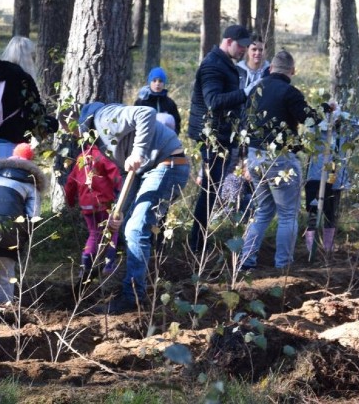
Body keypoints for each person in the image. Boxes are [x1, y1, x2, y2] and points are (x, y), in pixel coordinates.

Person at [73, 103, 190, 314]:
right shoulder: (97, 143)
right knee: (124, 223)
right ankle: (126, 283)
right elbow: (126, 173)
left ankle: (133, 297)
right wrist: (117, 211)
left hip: (168, 162)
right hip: (146, 171)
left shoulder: (104, 118)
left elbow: (146, 112)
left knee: (136, 229)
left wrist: (138, 152)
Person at [239, 51, 325, 270]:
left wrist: (243, 159)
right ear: (292, 71)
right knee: (287, 214)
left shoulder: (255, 89)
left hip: (254, 156)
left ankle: (246, 261)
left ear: (270, 69)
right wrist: (325, 109)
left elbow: (243, 123)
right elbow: (310, 119)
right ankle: (283, 265)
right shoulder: (290, 92)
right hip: (280, 160)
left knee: (263, 210)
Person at [188, 24, 258, 252]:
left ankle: (199, 240)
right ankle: (196, 243)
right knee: (210, 189)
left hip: (221, 136)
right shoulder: (212, 65)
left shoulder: (225, 64)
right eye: (241, 46)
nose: (244, 50)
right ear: (228, 42)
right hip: (211, 137)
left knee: (213, 187)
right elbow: (214, 101)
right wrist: (245, 93)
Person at [0, 143, 46, 304]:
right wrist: (25, 237)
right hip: (12, 232)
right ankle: (6, 310)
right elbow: (34, 216)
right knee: (6, 272)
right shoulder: (30, 184)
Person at [0, 36, 54, 164]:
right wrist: (52, 124)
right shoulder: (21, 80)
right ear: (27, 57)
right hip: (3, 146)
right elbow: (35, 117)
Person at [304, 112, 359, 258]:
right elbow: (309, 126)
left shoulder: (343, 133)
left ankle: (328, 249)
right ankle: (311, 250)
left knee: (331, 214)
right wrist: (323, 119)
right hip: (315, 178)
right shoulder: (316, 131)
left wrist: (345, 115)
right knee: (313, 213)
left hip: (335, 180)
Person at [64, 142, 123, 278]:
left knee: (94, 233)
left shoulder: (81, 157)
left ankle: (85, 268)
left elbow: (71, 182)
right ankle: (108, 266)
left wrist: (70, 201)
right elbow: (115, 175)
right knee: (112, 231)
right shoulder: (102, 156)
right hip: (103, 202)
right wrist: (122, 190)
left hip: (86, 204)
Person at [134, 67, 182, 135]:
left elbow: (177, 123)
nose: (157, 84)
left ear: (164, 83)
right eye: (154, 80)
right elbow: (134, 123)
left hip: (165, 140)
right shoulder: (141, 102)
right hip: (145, 139)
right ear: (149, 82)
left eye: (160, 81)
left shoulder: (170, 103)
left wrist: (172, 136)